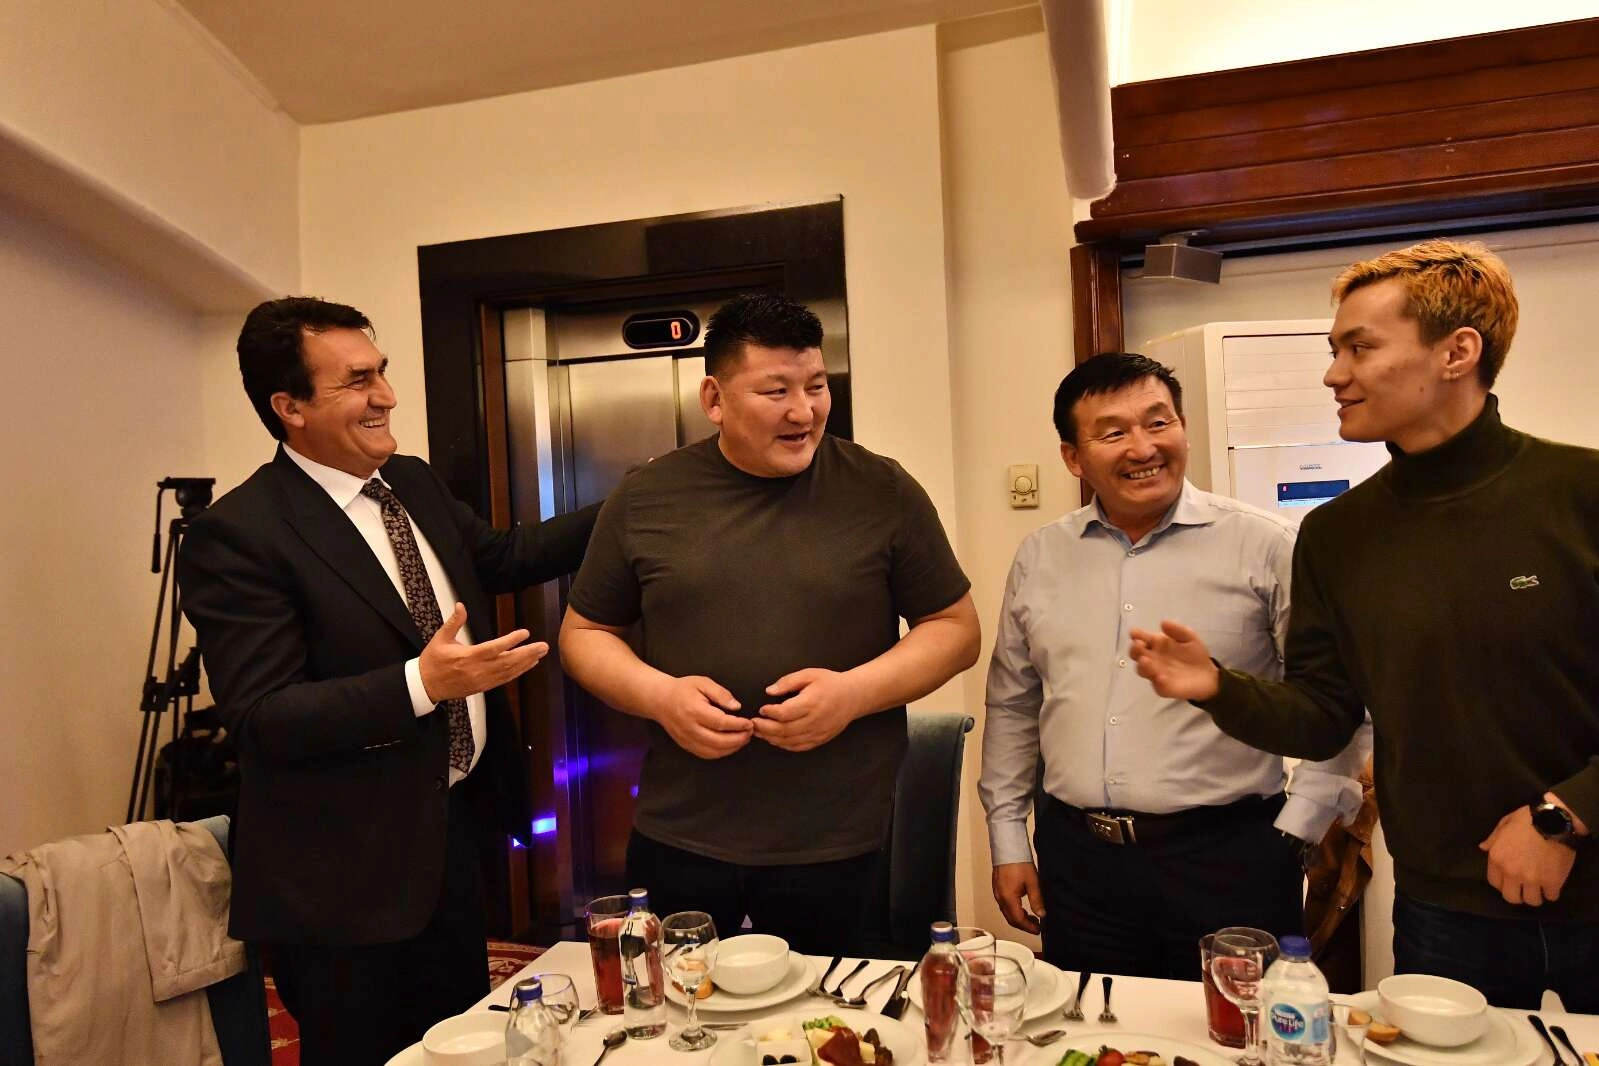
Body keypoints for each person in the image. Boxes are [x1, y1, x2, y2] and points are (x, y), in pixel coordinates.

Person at [1130, 239, 1599, 1011]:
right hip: (1444, 908)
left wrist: (1562, 817)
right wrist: (1217, 688)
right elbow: (1324, 716)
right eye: (1334, 350)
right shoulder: (1337, 534)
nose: (1332, 374)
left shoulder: (1580, 494)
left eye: (1360, 347)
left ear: (1456, 352)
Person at [177, 297, 600, 1065]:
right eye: (358, 381)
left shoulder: (410, 481)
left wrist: (637, 500)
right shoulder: (238, 534)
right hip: (345, 880)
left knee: (460, 1045)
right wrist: (420, 683)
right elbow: (264, 716)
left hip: (447, 834)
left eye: (382, 372)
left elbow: (502, 557)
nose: (387, 396)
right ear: (290, 407)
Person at [558, 292, 979, 953]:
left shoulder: (882, 490)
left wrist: (852, 694)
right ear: (714, 398)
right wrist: (660, 697)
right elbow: (584, 635)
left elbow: (954, 628)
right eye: (776, 391)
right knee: (680, 1004)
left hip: (843, 837)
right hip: (681, 828)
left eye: (816, 386)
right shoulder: (645, 497)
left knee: (835, 1009)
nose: (803, 411)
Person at [980, 352, 1370, 979]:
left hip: (1230, 860)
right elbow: (1014, 703)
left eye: (1159, 422)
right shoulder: (1040, 556)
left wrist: (1297, 829)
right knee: (1094, 1022)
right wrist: (1007, 838)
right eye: (1114, 432)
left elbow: (1343, 701)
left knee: (1234, 1027)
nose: (1144, 447)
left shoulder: (1267, 546)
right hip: (1079, 864)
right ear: (1073, 458)